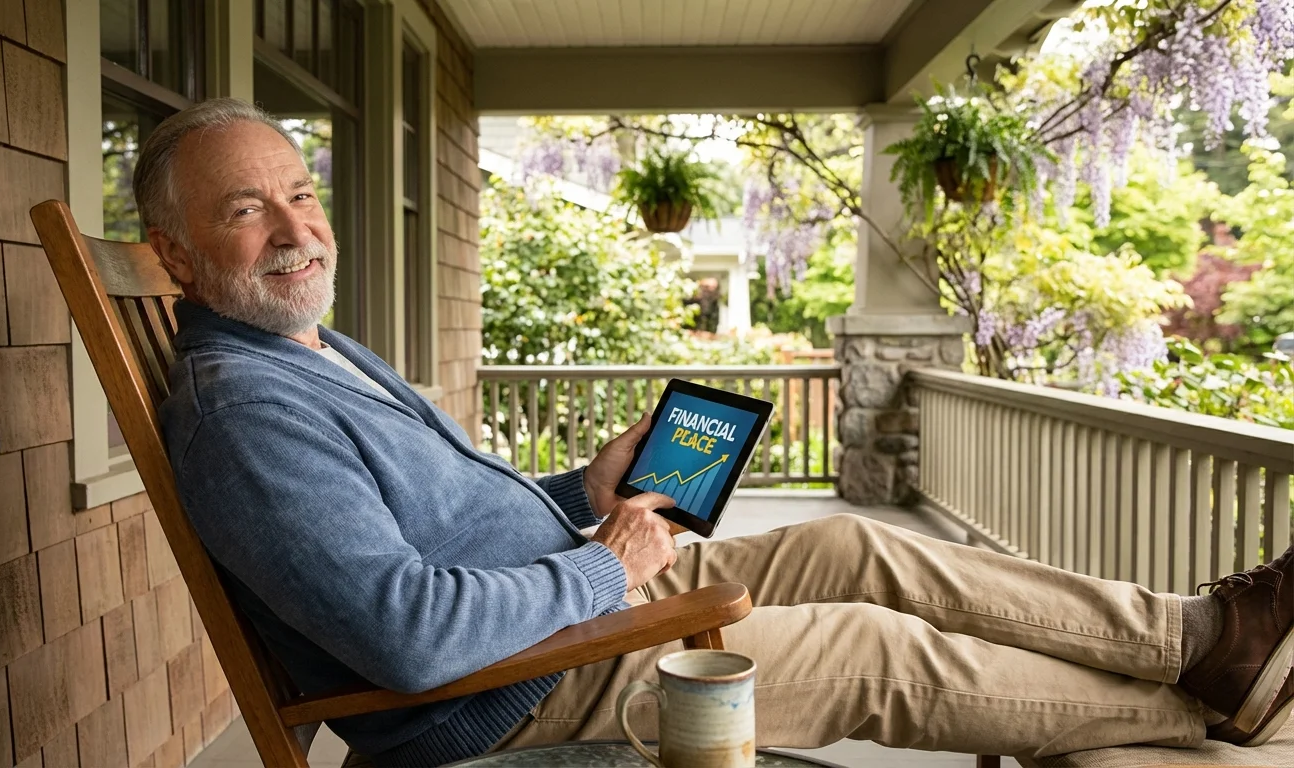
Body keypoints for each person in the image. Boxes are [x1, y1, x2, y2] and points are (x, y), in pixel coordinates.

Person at [136, 98, 1292, 767]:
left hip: (572, 599)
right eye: (246, 211)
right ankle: (1195, 705)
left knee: (857, 546)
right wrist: (604, 563)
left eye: (299, 191)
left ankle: (1190, 633)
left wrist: (580, 489)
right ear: (178, 259)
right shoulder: (246, 416)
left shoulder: (304, 351)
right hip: (517, 691)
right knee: (866, 647)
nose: (297, 228)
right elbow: (405, 637)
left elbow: (437, 528)